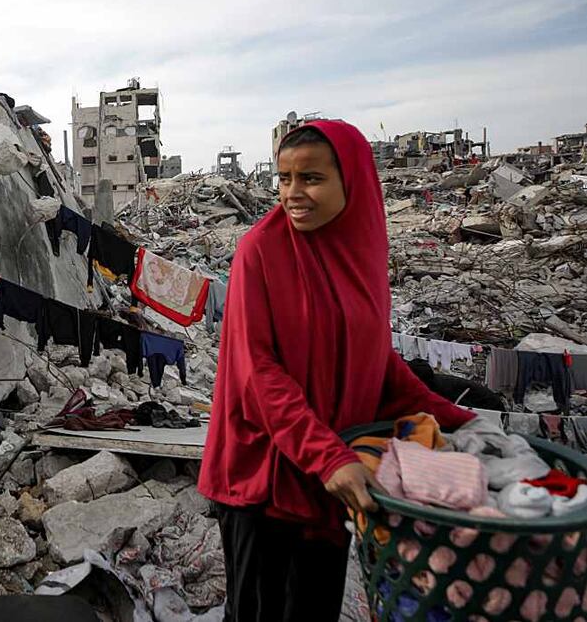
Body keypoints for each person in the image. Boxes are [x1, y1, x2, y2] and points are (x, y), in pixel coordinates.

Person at [197, 121, 476, 621]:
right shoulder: (259, 252)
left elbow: (374, 356)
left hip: (332, 479)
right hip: (268, 478)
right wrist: (327, 456)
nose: (293, 194)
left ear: (353, 182)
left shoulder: (361, 250)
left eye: (311, 178)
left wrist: (455, 418)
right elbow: (257, 372)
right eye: (284, 178)